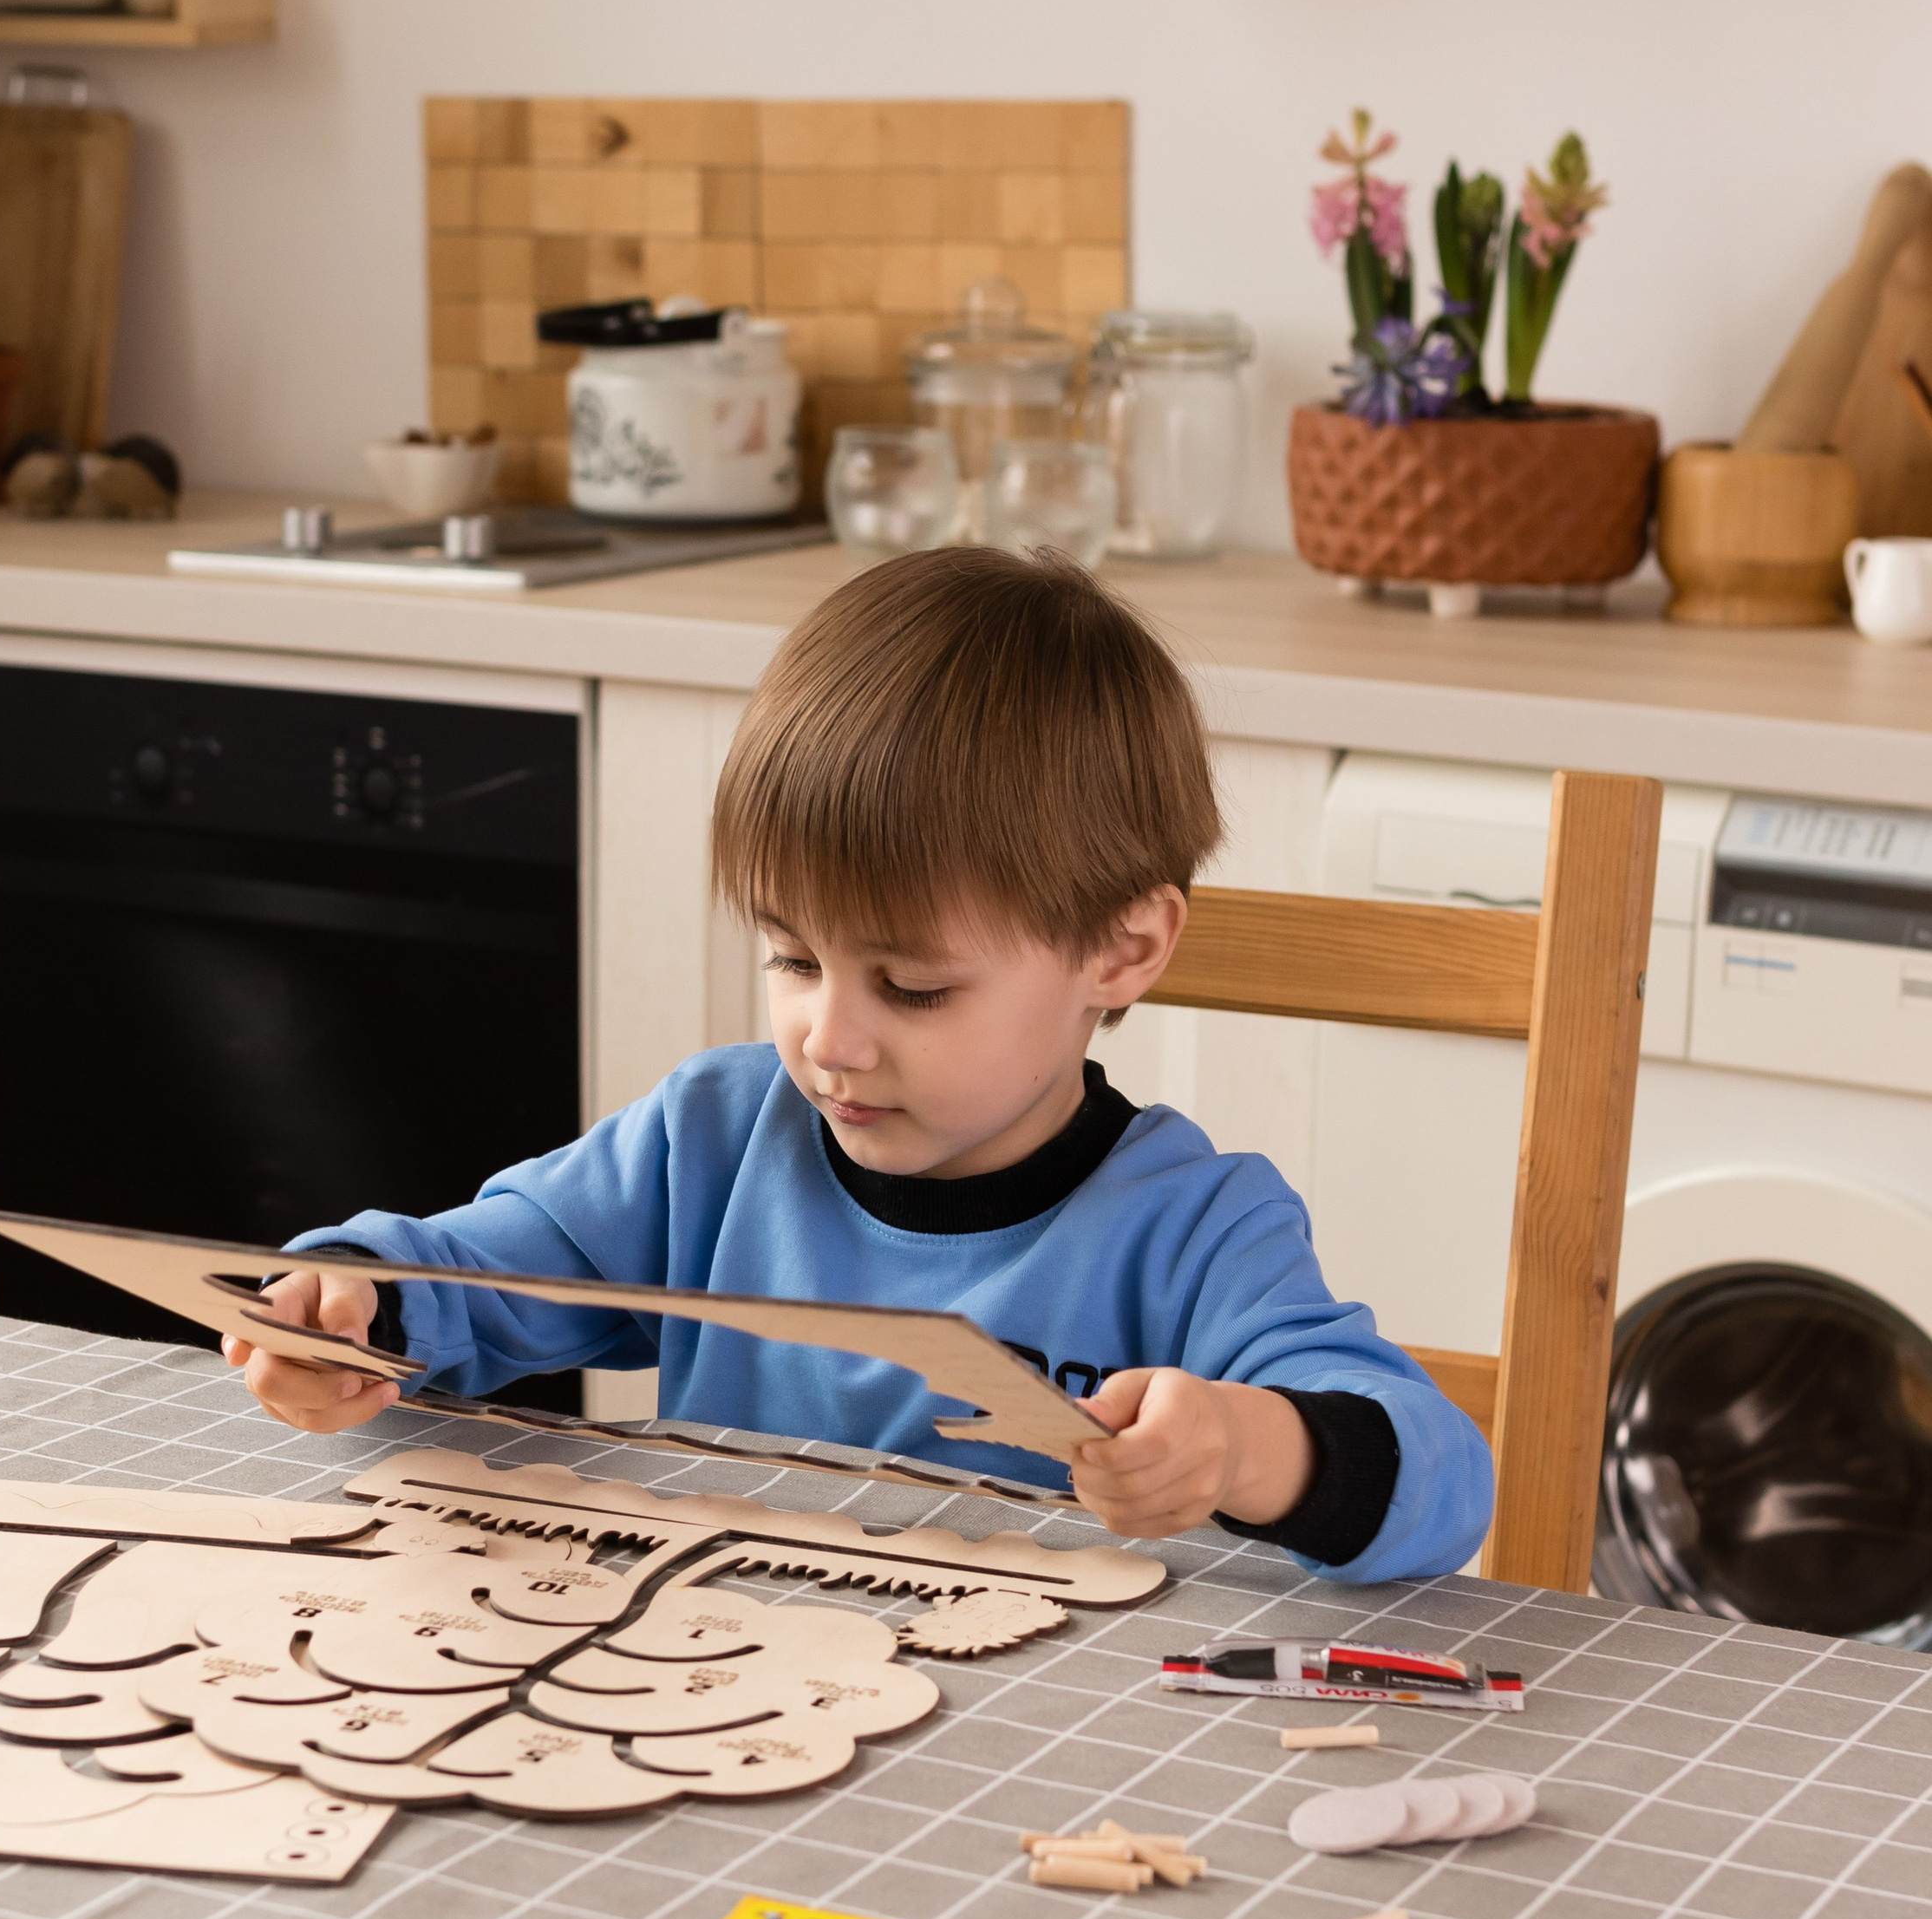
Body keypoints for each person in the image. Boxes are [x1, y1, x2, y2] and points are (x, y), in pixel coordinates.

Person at [225, 546, 1493, 1575]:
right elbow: (477, 1271)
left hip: (1039, 1763)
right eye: (790, 957)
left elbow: (1442, 1481)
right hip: (715, 1691)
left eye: (914, 985)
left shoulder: (1195, 1226)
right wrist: (356, 1304)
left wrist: (1242, 1446)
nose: (829, 1040)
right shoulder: (712, 1139)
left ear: (1122, 948)